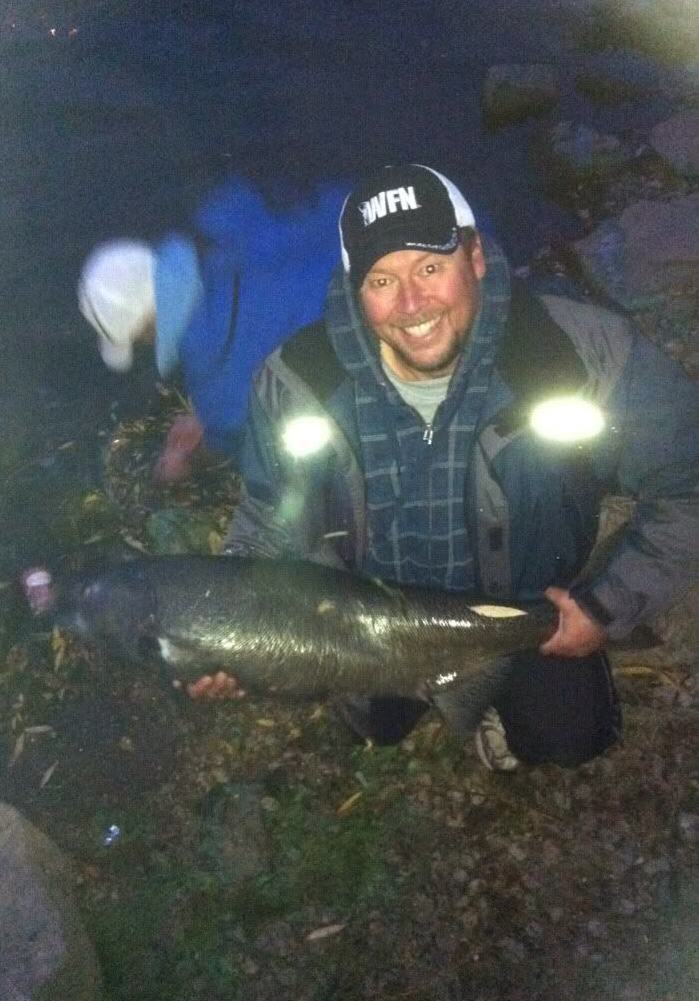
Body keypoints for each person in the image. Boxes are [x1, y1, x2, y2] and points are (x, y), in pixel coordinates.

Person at [189, 162, 699, 771]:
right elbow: (269, 510)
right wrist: (225, 634)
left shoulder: (587, 355)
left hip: (524, 610)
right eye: (381, 280)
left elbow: (689, 484)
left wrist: (606, 605)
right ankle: (430, 698)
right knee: (377, 728)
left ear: (475, 256)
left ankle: (493, 704)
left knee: (569, 739)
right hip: (369, 623)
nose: (411, 303)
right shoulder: (295, 380)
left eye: (430, 268)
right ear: (355, 289)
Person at [77, 177, 347, 480]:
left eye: (138, 338)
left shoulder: (218, 391)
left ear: (146, 326)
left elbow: (258, 457)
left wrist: (185, 457)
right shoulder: (230, 211)